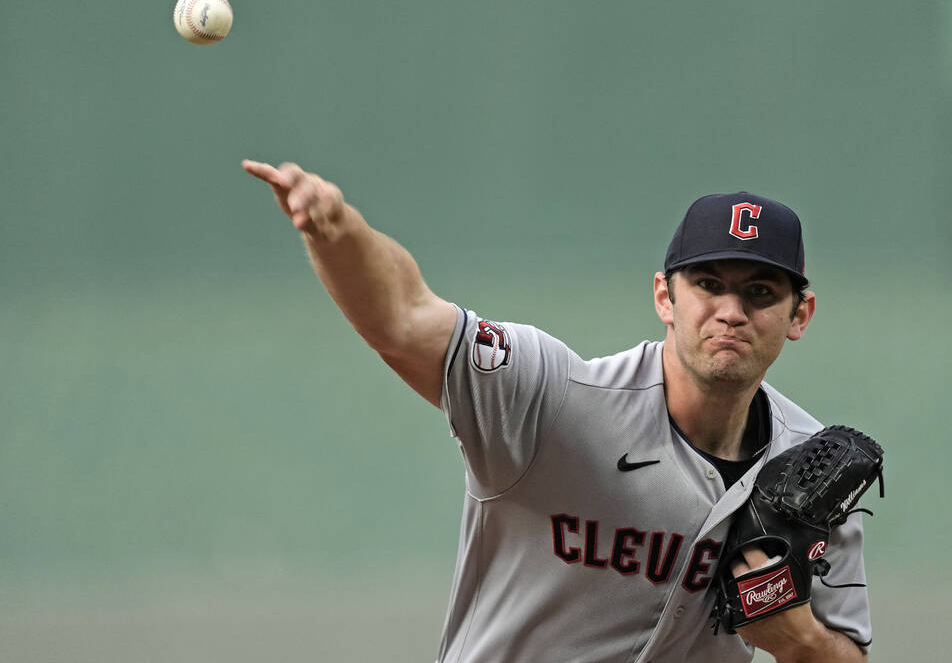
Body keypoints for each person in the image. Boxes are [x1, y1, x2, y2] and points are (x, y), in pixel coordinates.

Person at [242, 159, 873, 662]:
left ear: (799, 316)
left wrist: (799, 643)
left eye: (760, 292)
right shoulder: (553, 400)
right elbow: (405, 318)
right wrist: (338, 231)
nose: (730, 311)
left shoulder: (813, 472)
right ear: (664, 296)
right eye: (707, 284)